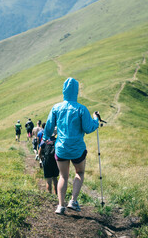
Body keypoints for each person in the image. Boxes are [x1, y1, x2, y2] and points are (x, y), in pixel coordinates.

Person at [43, 77, 99, 215]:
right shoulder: (82, 109)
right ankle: (73, 201)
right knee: (79, 172)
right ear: (76, 91)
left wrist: (45, 139)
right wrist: (96, 120)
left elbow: (49, 128)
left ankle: (60, 206)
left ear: (64, 90)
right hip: (77, 149)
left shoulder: (56, 108)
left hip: (61, 148)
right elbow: (88, 128)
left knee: (63, 176)